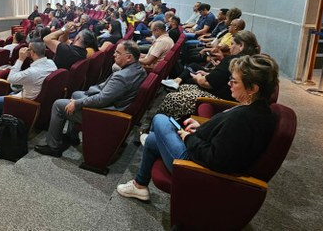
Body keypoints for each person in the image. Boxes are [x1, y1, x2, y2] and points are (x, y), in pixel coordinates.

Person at [117, 54, 279, 201]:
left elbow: (215, 159)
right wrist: (203, 126)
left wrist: (189, 137)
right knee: (153, 139)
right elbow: (226, 136)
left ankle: (151, 147)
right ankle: (140, 185)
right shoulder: (258, 109)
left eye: (234, 81)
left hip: (196, 168)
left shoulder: (243, 119)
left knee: (160, 120)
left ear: (253, 89)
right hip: (201, 156)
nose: (229, 84)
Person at [35, 41, 148, 157]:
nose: (114, 55)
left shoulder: (122, 77)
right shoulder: (140, 69)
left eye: (118, 53)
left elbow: (101, 100)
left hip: (106, 112)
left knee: (58, 105)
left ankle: (53, 146)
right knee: (76, 94)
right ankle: (72, 136)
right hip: (113, 102)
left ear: (128, 57)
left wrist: (77, 104)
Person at [157, 30, 261, 119]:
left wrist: (199, 77)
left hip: (219, 100)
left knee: (171, 98)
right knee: (183, 87)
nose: (230, 47)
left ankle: (160, 124)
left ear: (241, 46)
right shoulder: (251, 60)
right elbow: (222, 77)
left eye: (232, 44)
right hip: (224, 96)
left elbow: (207, 83)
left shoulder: (234, 61)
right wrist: (207, 74)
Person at [0, 41, 57, 127]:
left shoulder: (32, 72)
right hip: (38, 95)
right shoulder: (51, 62)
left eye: (28, 48)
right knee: (11, 93)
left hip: (28, 101)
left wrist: (20, 59)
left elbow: (10, 79)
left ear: (32, 52)